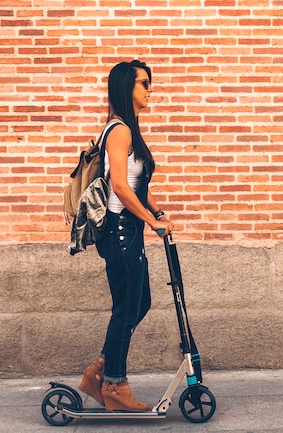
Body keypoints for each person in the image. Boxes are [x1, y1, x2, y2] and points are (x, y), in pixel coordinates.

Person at [78, 60, 174, 412]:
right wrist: (151, 221)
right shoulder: (119, 131)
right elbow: (118, 186)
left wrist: (158, 212)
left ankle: (99, 371)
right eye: (144, 84)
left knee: (139, 303)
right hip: (120, 231)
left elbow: (137, 183)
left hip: (126, 231)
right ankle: (114, 386)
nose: (150, 90)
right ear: (126, 87)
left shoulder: (127, 129)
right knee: (126, 310)